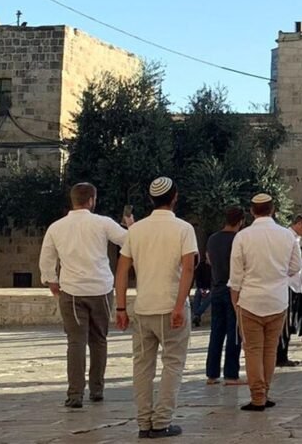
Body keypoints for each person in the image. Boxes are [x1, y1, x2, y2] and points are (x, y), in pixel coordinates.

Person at [114, 177, 197, 439]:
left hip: (144, 307)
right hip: (171, 304)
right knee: (172, 364)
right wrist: (179, 305)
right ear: (175, 197)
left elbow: (122, 270)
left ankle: (143, 422)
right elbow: (188, 268)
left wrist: (120, 308)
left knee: (142, 367)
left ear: (151, 199)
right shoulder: (184, 229)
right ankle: (162, 421)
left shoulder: (136, 230)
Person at [38, 182, 132, 409]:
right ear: (91, 200)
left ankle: (75, 394)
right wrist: (131, 225)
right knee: (99, 340)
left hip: (71, 291)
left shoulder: (56, 227)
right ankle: (97, 389)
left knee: (75, 342)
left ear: (73, 200)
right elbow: (127, 240)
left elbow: (47, 257)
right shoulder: (103, 223)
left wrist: (51, 280)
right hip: (100, 289)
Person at [229, 193, 302, 412]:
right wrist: (279, 275)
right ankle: (265, 392)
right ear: (273, 210)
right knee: (270, 350)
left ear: (252, 211)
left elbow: (236, 274)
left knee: (252, 350)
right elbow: (296, 266)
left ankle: (258, 396)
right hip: (277, 300)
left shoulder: (243, 236)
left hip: (250, 300)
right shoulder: (287, 235)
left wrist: (236, 299)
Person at [205, 207, 244, 386]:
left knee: (216, 332)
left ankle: (212, 374)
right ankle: (231, 374)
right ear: (241, 221)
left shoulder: (213, 239)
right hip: (233, 289)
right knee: (234, 333)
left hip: (216, 288)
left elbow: (209, 260)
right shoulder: (239, 239)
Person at [278, 213, 302, 368]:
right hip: (288, 285)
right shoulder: (288, 237)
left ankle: (283, 354)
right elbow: (293, 265)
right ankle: (281, 357)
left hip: (293, 285)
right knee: (285, 323)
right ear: (299, 224)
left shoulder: (295, 238)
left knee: (290, 322)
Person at [191, 255, 212, 328]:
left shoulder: (215, 267)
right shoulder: (201, 266)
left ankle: (197, 314)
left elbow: (214, 282)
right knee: (197, 294)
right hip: (201, 288)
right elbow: (198, 279)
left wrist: (208, 290)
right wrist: (201, 289)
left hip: (211, 289)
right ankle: (197, 315)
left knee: (210, 297)